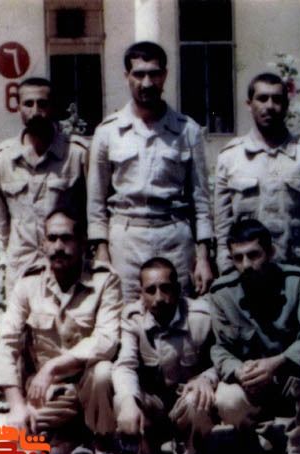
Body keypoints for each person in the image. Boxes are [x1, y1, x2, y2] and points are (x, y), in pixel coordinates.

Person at [0, 209, 122, 454]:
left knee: (103, 372)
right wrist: (16, 405)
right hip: (51, 390)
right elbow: (6, 341)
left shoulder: (104, 280)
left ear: (83, 243)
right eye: (51, 238)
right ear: (43, 243)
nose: (58, 247)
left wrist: (53, 366)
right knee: (17, 438)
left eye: (66, 238)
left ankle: (104, 445)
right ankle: (72, 436)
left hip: (90, 385)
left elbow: (107, 339)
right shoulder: (28, 284)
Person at [87, 41, 213, 301]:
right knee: (124, 313)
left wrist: (203, 258)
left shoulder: (188, 131)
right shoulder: (108, 132)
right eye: (139, 74)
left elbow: (200, 201)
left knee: (179, 311)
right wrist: (101, 252)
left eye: (154, 74)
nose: (147, 83)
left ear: (164, 75)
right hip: (126, 241)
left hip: (174, 238)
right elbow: (96, 202)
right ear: (127, 76)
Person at [209, 219, 300, 454]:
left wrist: (277, 363)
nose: (246, 264)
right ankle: (250, 438)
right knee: (227, 399)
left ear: (271, 252)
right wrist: (239, 370)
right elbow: (219, 349)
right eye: (238, 258)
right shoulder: (222, 294)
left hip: (289, 377)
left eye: (254, 255)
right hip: (251, 381)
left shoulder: (298, 283)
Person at [214, 73, 300, 286]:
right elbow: (223, 225)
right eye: (262, 98)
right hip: (246, 271)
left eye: (277, 99)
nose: (269, 106)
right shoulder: (230, 157)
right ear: (249, 104)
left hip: (296, 268)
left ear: (286, 105)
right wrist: (226, 268)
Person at [112, 257, 217, 454]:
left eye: (165, 288)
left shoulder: (202, 317)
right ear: (141, 293)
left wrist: (207, 377)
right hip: (155, 405)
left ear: (178, 290)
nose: (159, 298)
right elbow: (125, 365)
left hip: (185, 401)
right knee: (124, 396)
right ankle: (149, 452)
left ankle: (192, 452)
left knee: (199, 397)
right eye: (151, 290)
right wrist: (129, 401)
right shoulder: (133, 318)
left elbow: (221, 358)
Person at [0, 77, 88, 296]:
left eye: (42, 104)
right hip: (21, 267)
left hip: (66, 267)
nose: (36, 111)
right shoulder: (2, 159)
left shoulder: (76, 155)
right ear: (18, 107)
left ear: (53, 107)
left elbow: (90, 213)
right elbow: (3, 223)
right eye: (28, 104)